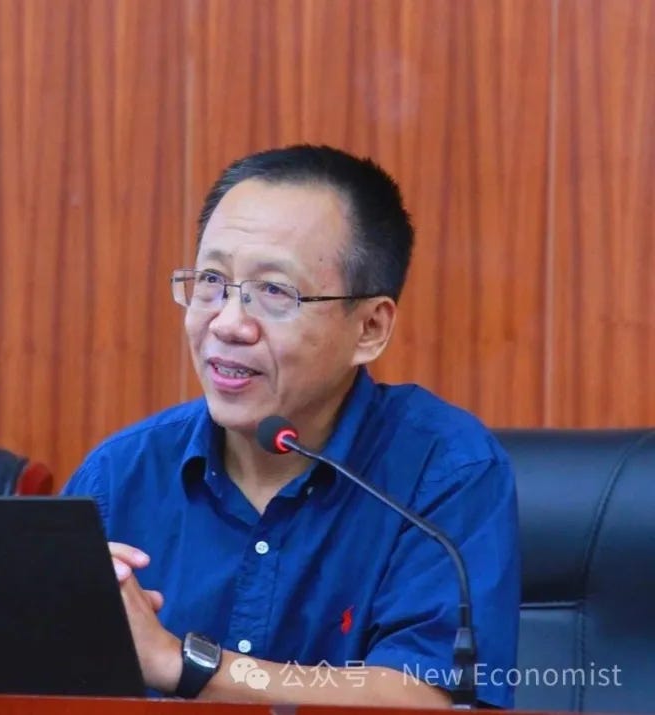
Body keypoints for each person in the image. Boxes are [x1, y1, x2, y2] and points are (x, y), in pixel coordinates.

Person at [62, 144, 520, 708]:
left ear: (369, 328)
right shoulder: (119, 475)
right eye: (211, 281)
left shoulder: (443, 471)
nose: (228, 323)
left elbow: (424, 696)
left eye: (274, 292)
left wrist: (182, 664)